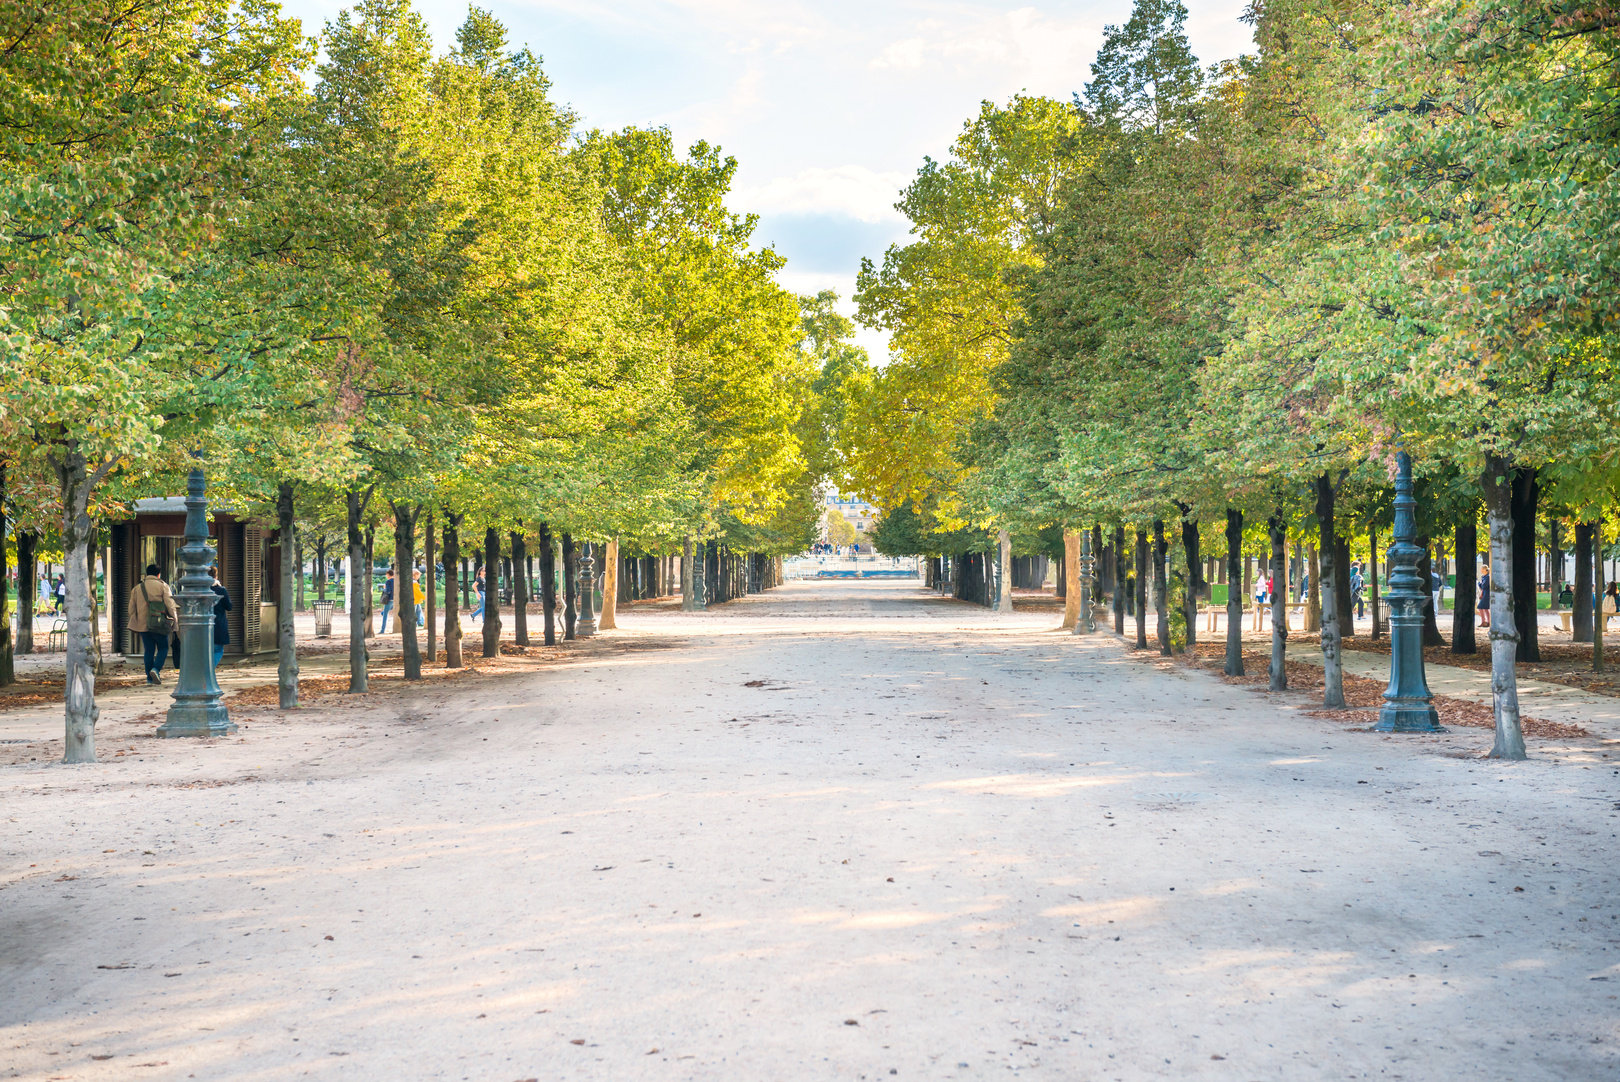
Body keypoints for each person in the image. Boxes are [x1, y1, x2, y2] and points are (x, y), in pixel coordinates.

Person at [128, 563, 178, 685]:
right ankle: (156, 669)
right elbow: (170, 605)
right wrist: (174, 619)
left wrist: (137, 620)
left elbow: (131, 609)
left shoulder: (137, 588)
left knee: (148, 650)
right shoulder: (163, 586)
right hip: (159, 623)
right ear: (158, 574)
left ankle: (149, 679)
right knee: (163, 647)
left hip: (143, 626)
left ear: (147, 574)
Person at [209, 566, 232, 669]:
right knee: (218, 650)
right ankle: (208, 671)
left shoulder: (201, 589)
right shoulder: (221, 590)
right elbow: (229, 606)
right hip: (218, 623)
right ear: (216, 575)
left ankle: (205, 671)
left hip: (202, 626)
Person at [378, 568, 396, 634]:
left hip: (389, 599)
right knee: (389, 609)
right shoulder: (396, 580)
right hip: (395, 599)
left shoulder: (388, 581)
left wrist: (384, 589)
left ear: (388, 575)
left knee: (385, 614)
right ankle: (382, 612)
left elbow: (388, 591)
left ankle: (382, 630)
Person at [1476, 563, 1491, 627]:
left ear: (1485, 570)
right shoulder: (1484, 577)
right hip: (1484, 593)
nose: (1481, 571)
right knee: (1485, 608)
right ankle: (1487, 622)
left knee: (1480, 607)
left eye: (1482, 569)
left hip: (1487, 594)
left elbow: (1484, 586)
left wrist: (1480, 583)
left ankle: (1484, 621)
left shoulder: (1488, 577)